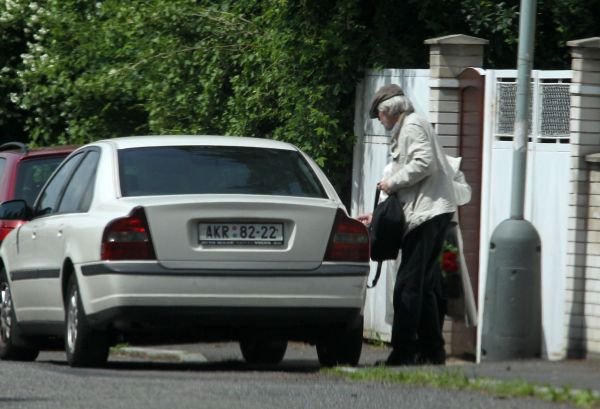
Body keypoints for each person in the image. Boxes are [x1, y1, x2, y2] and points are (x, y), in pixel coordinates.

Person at [358, 84, 457, 366]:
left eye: (379, 115)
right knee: (423, 285)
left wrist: (392, 182)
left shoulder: (411, 126)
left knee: (407, 286)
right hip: (431, 212)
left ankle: (403, 353)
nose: (380, 122)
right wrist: (377, 215)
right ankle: (432, 351)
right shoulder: (413, 124)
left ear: (388, 110)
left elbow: (424, 163)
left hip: (427, 215)